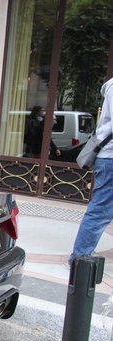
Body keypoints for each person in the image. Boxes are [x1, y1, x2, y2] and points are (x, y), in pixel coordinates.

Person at [70, 77, 113, 264]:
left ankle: (81, 256)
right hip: (111, 159)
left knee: (101, 210)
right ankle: (80, 260)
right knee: (100, 211)